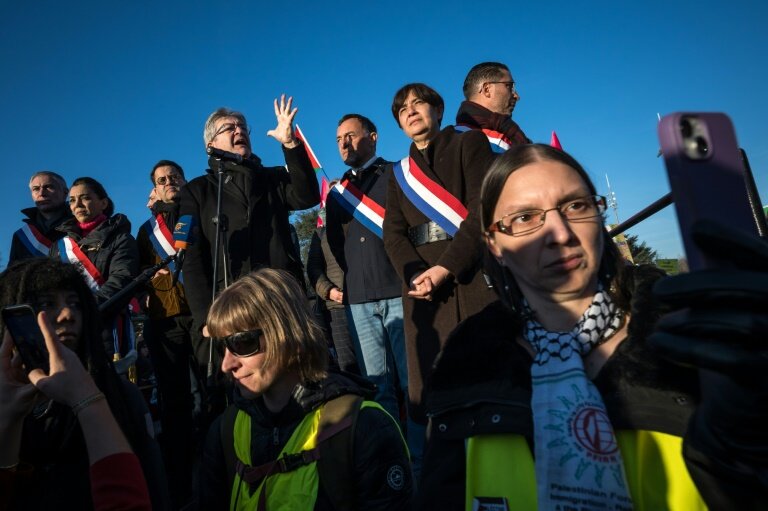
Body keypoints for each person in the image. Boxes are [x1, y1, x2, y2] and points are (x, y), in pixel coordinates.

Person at [415, 144, 707, 510]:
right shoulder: (463, 366)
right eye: (524, 217)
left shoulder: (693, 335)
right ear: (494, 243)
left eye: (576, 206)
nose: (560, 234)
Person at [198, 268, 413, 510]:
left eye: (241, 342)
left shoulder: (364, 427)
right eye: (221, 348)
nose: (227, 365)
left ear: (288, 333)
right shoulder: (225, 430)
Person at [0, 258, 169, 510]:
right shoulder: (7, 400)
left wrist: (87, 400)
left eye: (75, 304)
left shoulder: (120, 395)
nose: (67, 314)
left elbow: (154, 492)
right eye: (47, 304)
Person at [382, 84, 498, 423]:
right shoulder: (399, 173)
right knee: (438, 403)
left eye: (418, 103)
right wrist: (415, 273)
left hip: (471, 275)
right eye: (403, 110)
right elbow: (393, 235)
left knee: (486, 386)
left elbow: (483, 210)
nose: (411, 111)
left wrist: (446, 268)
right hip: (424, 289)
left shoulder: (469, 142)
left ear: (438, 110)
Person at [178, 96, 320, 338]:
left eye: (243, 127)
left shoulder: (271, 178)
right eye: (230, 127)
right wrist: (204, 318)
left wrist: (290, 144)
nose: (239, 131)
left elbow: (307, 197)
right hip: (232, 305)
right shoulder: (198, 191)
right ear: (211, 143)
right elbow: (192, 259)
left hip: (282, 296)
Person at [325, 114, 407, 423]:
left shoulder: (397, 175)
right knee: (377, 387)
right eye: (338, 139)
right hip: (358, 300)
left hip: (398, 289)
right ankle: (389, 455)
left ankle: (419, 460)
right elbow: (335, 245)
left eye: (351, 135)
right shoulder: (338, 195)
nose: (344, 143)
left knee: (412, 385)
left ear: (373, 137)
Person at [137, 159, 197, 509]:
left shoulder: (198, 211)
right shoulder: (147, 231)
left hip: (203, 313)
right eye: (162, 179)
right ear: (155, 189)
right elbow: (139, 269)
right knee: (175, 401)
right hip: (166, 319)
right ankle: (180, 480)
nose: (169, 181)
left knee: (211, 388)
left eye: (174, 176)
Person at [49, 177, 139, 359]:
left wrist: (86, 310)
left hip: (107, 326)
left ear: (103, 203)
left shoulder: (120, 239)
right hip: (68, 327)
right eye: (72, 200)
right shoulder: (59, 247)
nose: (78, 204)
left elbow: (122, 280)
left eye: (85, 198)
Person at [306, 189, 359, 374]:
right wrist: (328, 291)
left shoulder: (361, 224)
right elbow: (313, 267)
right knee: (349, 364)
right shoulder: (319, 234)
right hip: (337, 307)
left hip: (364, 299)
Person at [455, 62, 530, 152]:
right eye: (509, 87)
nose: (516, 96)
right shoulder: (455, 142)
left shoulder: (451, 140)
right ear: (487, 89)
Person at [9, 171, 73, 264]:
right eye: (36, 189)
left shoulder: (79, 225)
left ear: (65, 193)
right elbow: (12, 274)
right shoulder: (22, 236)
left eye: (49, 187)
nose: (42, 193)